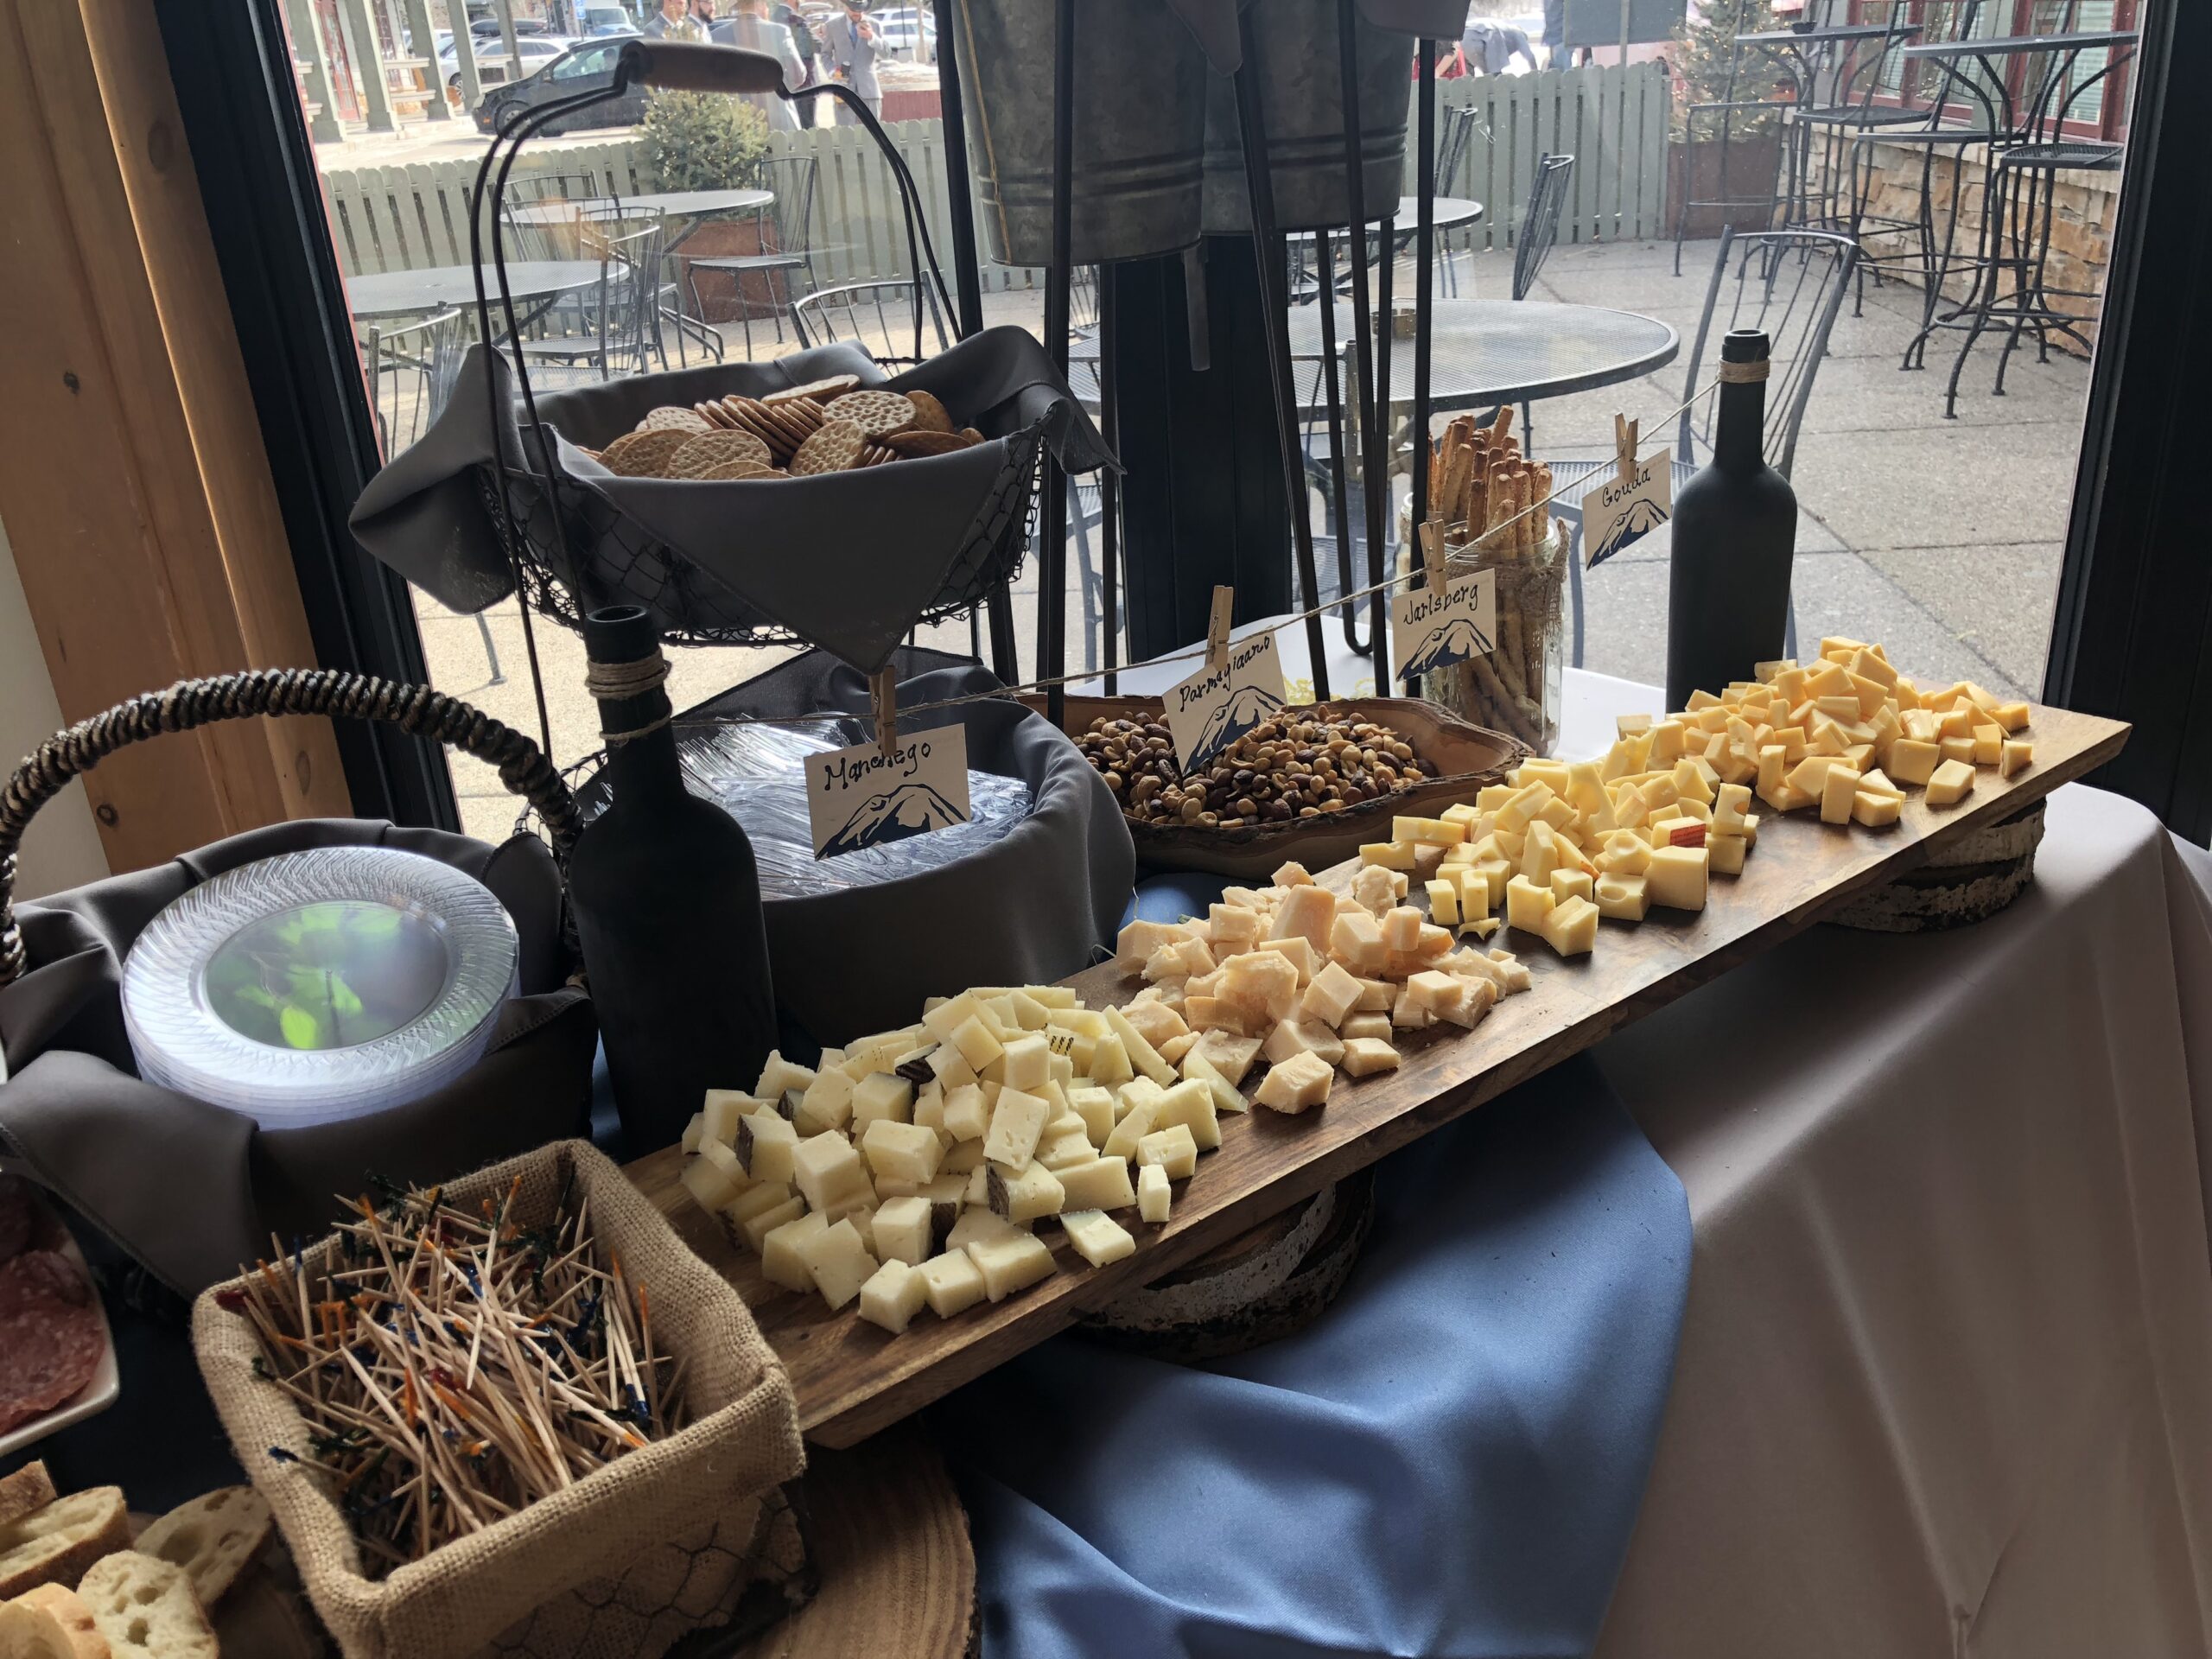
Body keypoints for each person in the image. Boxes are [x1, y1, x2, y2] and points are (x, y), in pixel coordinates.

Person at [712, 0, 805, 130]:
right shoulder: (779, 31)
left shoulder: (716, 36)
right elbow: (798, 76)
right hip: (779, 119)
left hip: (739, 124)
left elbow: (714, 81)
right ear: (759, 4)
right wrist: (775, 89)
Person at [822, 0, 882, 127]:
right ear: (845, 6)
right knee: (846, 135)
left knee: (873, 134)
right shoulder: (832, 26)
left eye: (860, 9)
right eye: (853, 9)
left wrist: (872, 37)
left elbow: (886, 53)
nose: (857, 13)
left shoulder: (875, 25)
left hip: (869, 90)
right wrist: (833, 72)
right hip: (844, 89)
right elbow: (825, 55)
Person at [775, 2, 822, 127]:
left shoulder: (772, 18)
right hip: (804, 85)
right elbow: (809, 50)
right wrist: (822, 40)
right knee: (808, 129)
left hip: (782, 84)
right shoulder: (795, 19)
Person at [1459, 16, 1540, 75]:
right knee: (1494, 76)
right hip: (1485, 35)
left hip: (1463, 36)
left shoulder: (1503, 27)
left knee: (1474, 76)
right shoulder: (1518, 33)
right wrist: (1535, 72)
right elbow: (1529, 56)